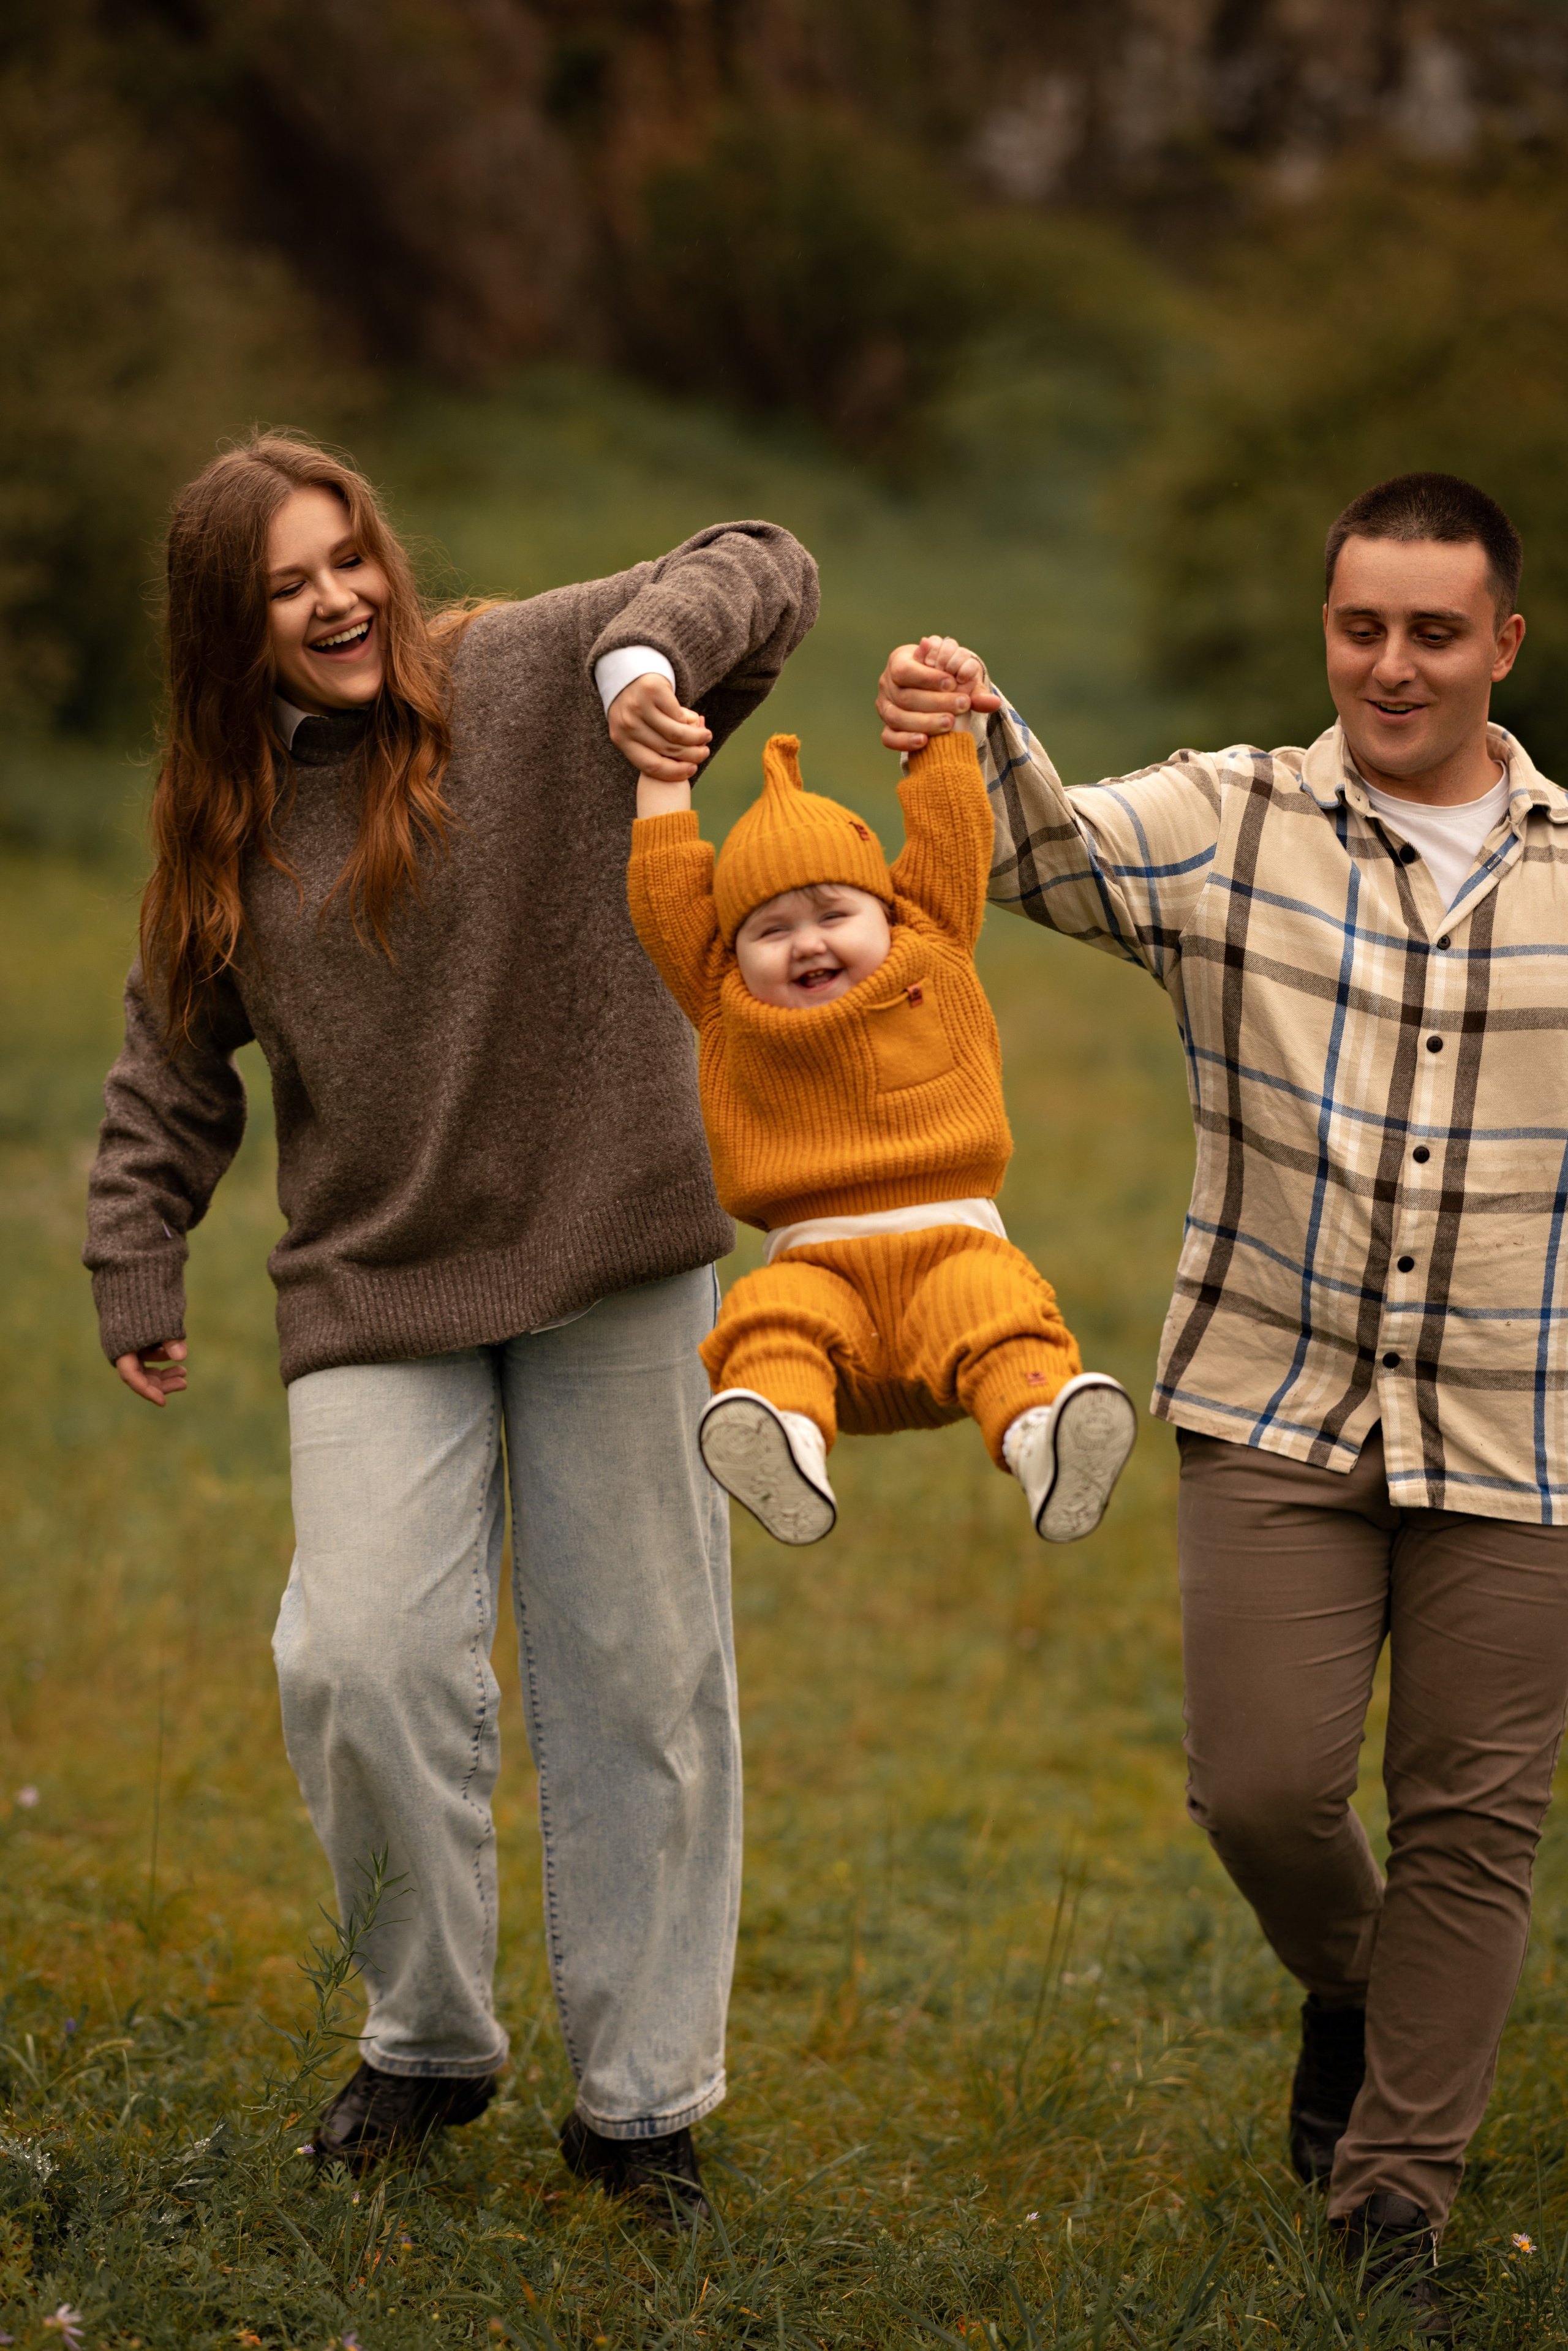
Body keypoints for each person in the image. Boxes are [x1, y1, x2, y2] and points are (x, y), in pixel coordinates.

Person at [83, 431, 818, 2228]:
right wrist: (136, 1249)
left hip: (616, 1251)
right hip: (379, 1279)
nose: (337, 597)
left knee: (642, 1679)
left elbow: (764, 559)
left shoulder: (527, 670)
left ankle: (644, 2104)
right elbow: (170, 1064)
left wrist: (647, 666)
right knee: (355, 1655)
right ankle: (428, 2037)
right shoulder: (224, 813)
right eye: (286, 582)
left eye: (350, 557)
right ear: (224, 626)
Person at [876, 472, 1568, 2336]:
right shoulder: (1238, 816)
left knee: (1472, 1816)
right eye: (1363, 626)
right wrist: (977, 719)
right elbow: (1044, 853)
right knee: (1262, 1785)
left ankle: (1395, 2191)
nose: (1393, 664)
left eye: (1436, 631)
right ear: (1327, 626)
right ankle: (1358, 1985)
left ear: (1506, 642)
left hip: (1526, 1430)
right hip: (1279, 1395)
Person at [625, 725, 1137, 1545]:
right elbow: (662, 897)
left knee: (997, 1310)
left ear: (887, 910)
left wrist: (937, 728)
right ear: (733, 950)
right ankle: (782, 1439)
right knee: (767, 1316)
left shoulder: (931, 939)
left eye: (834, 913)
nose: (809, 942)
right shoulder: (723, 1002)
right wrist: (661, 778)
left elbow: (951, 826)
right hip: (823, 1291)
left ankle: (1043, 1437)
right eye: (771, 928)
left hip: (951, 1254)